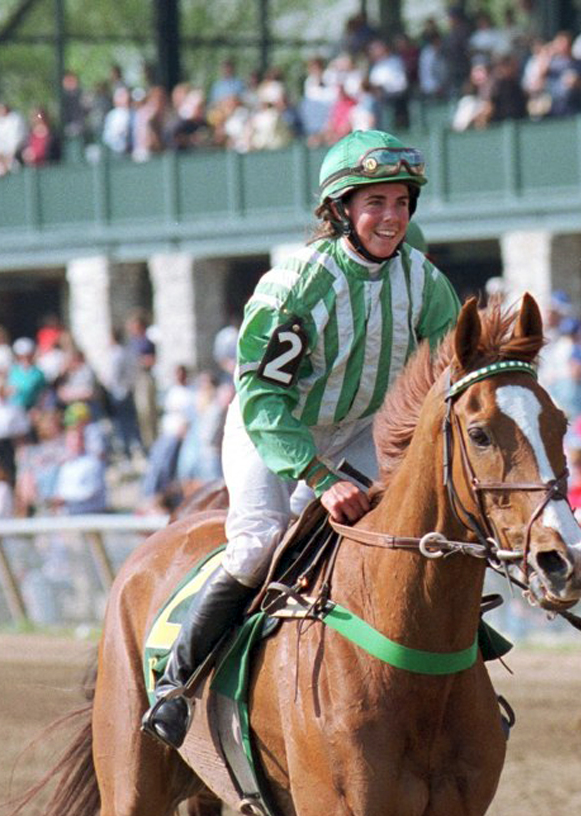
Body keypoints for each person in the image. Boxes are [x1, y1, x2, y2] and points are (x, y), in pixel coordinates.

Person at [142, 129, 460, 748]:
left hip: (366, 428)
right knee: (261, 542)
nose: (390, 218)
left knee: (413, 529)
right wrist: (319, 477)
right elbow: (262, 398)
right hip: (278, 427)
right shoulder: (294, 286)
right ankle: (175, 683)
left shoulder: (426, 283)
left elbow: (442, 377)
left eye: (400, 203)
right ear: (340, 210)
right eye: (375, 203)